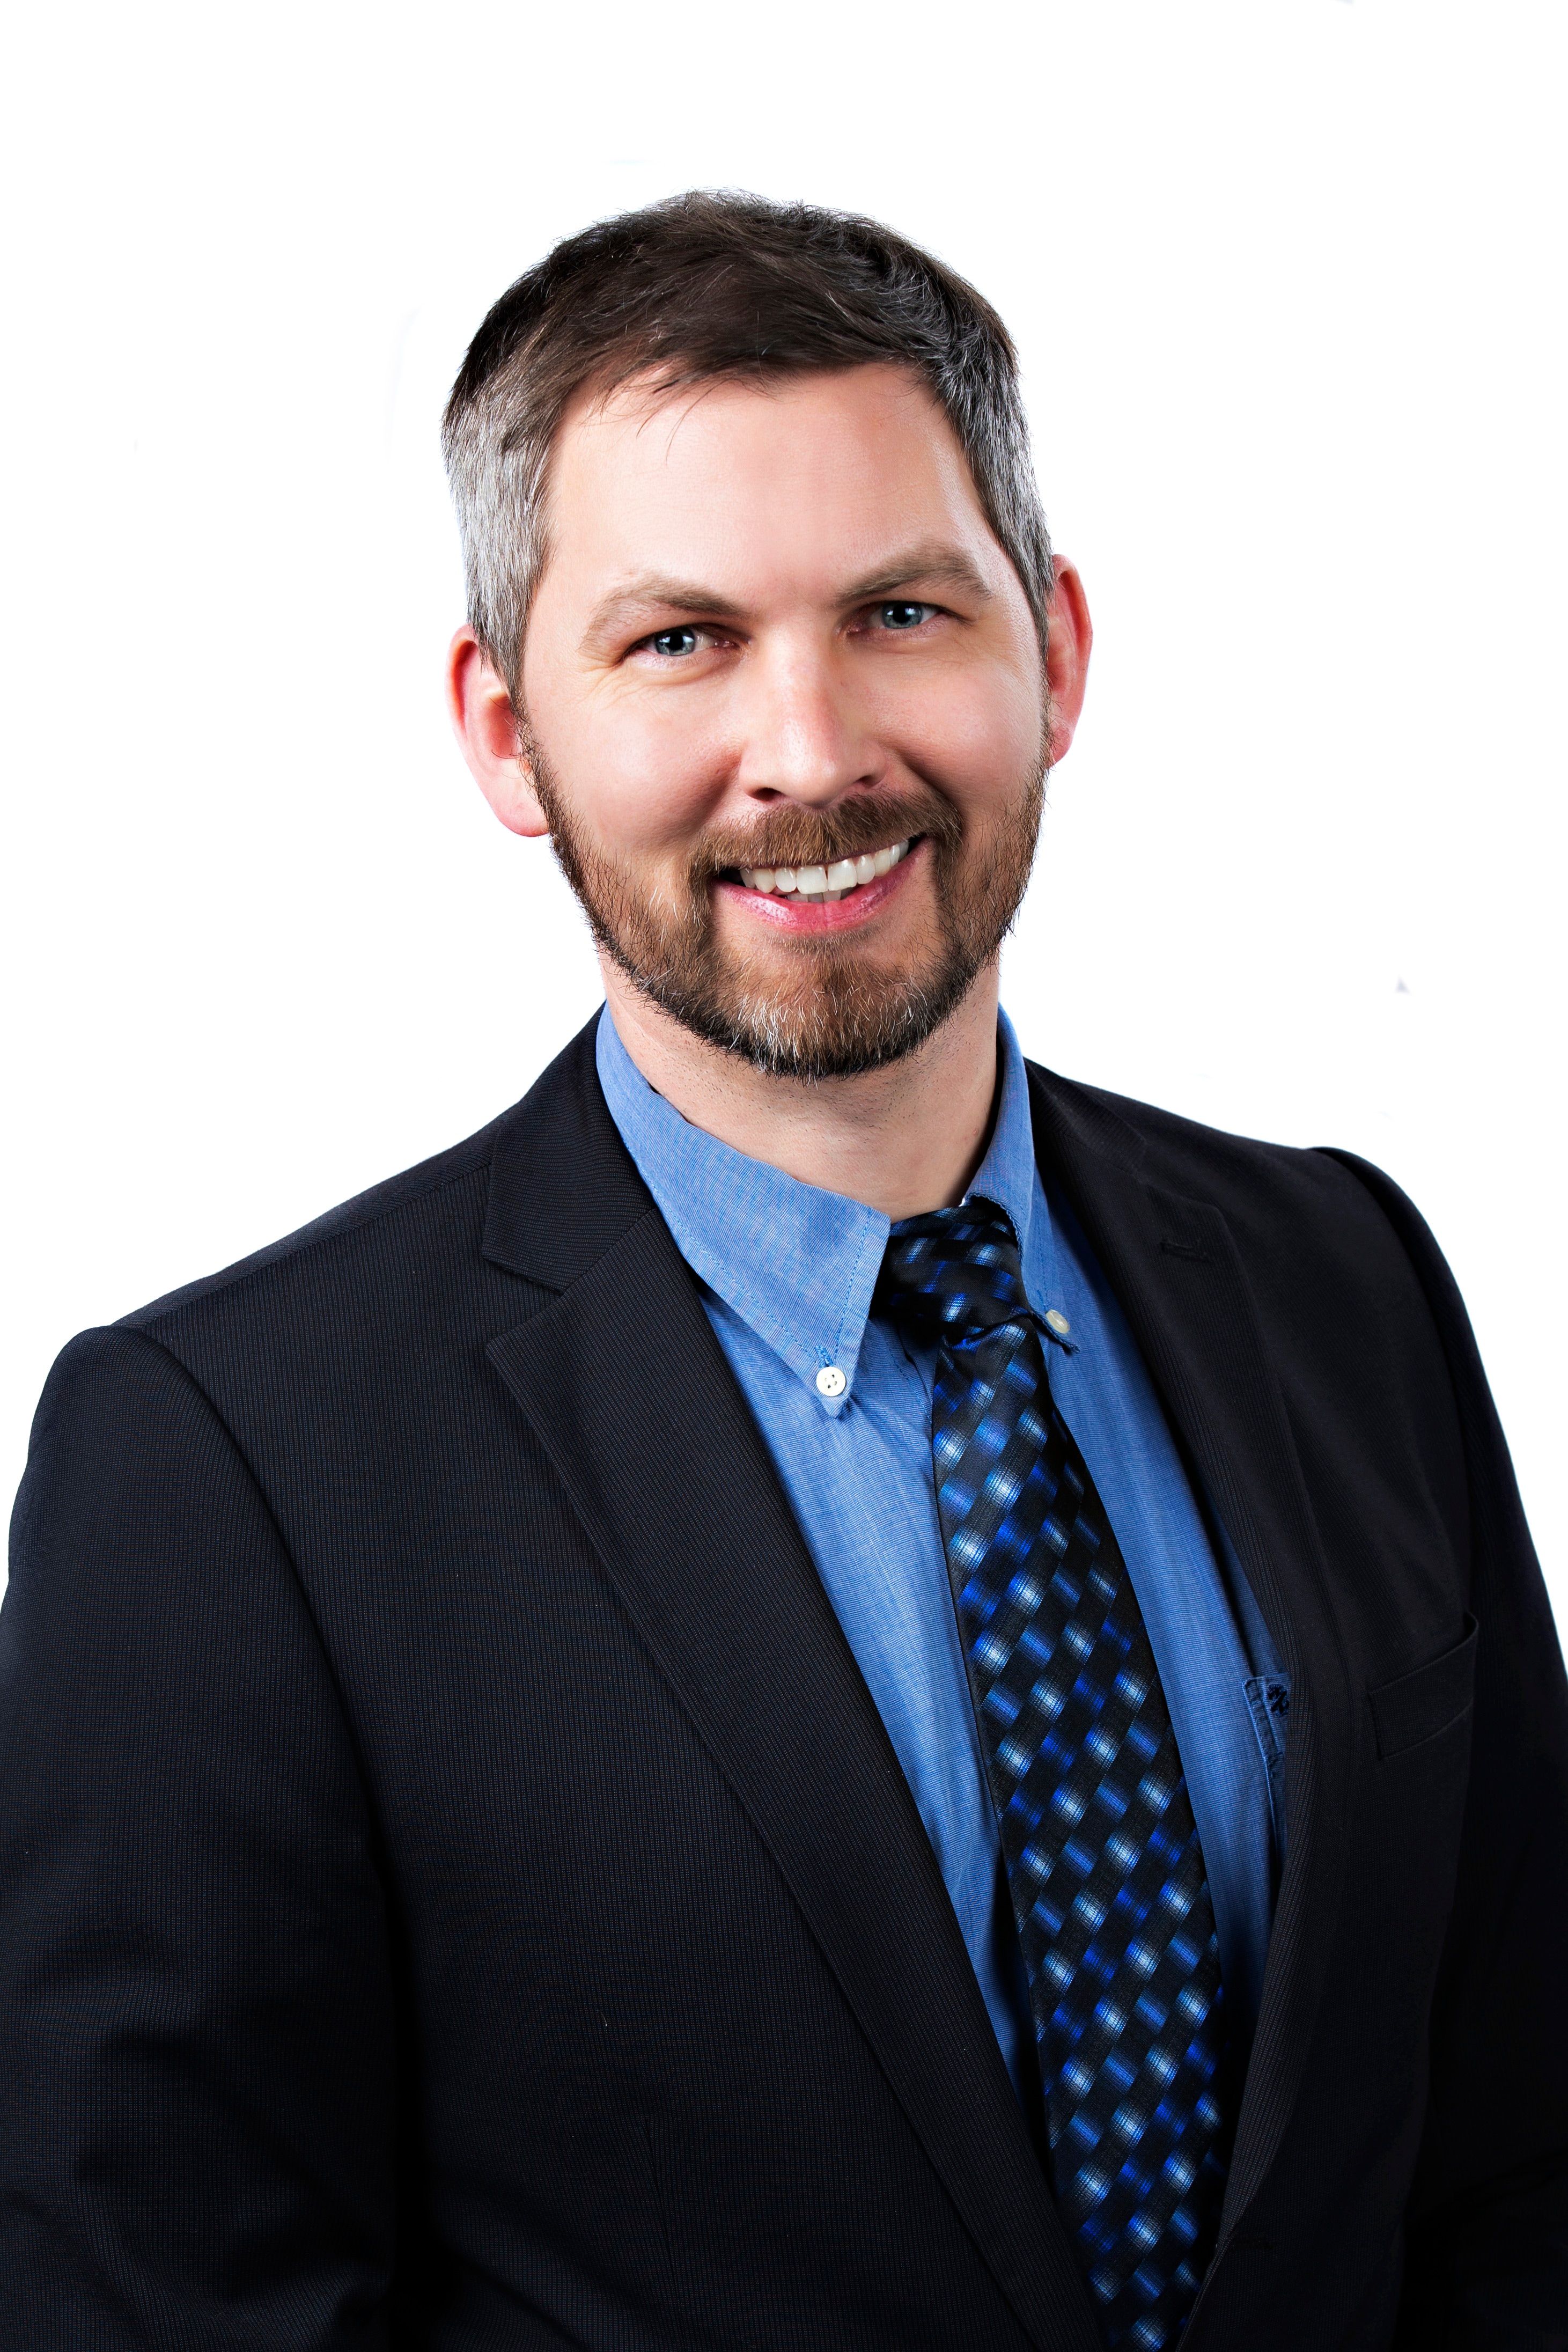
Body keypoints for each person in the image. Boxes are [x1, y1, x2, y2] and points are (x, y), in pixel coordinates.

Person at [1, 191, 1563, 2352]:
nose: (813, 749)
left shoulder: (1344, 1284)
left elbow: (1509, 2168)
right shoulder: (227, 1473)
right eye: (679, 641)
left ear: (1058, 650)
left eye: (903, 611)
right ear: (500, 731)